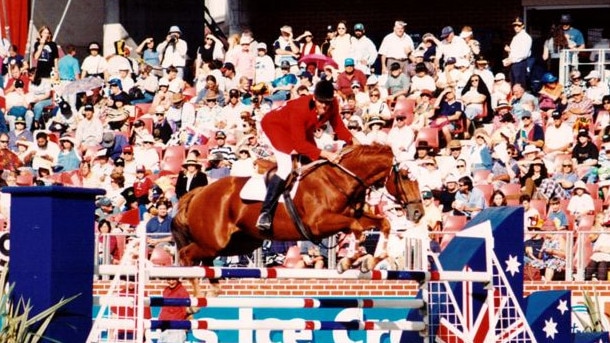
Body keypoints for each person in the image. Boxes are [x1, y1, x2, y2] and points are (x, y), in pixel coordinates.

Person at [256, 80, 354, 233]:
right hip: (275, 128)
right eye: (322, 103)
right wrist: (327, 154)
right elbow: (300, 144)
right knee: (286, 168)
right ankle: (265, 213)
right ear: (314, 98)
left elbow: (339, 127)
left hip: (301, 130)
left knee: (315, 161)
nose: (325, 107)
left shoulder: (333, 103)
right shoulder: (300, 109)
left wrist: (356, 142)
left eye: (328, 103)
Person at [157, 277, 190, 343]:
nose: (171, 282)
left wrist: (185, 326)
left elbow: (187, 312)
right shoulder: (166, 290)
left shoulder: (182, 292)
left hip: (176, 330)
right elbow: (164, 308)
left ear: (178, 279)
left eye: (173, 279)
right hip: (164, 329)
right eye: (169, 279)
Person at [502, 17, 531, 87]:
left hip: (520, 64)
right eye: (515, 25)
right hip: (514, 64)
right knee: (513, 84)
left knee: (519, 86)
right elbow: (515, 52)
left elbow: (524, 54)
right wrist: (509, 51)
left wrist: (511, 60)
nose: (516, 27)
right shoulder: (516, 37)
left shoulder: (525, 37)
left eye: (518, 25)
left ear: (523, 26)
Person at [585, 213, 610, 281]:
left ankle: (601, 288)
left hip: (607, 256)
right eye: (606, 226)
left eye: (609, 226)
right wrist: (599, 231)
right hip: (597, 255)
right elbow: (591, 238)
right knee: (588, 272)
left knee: (602, 265)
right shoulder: (601, 232)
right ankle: (590, 282)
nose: (607, 228)